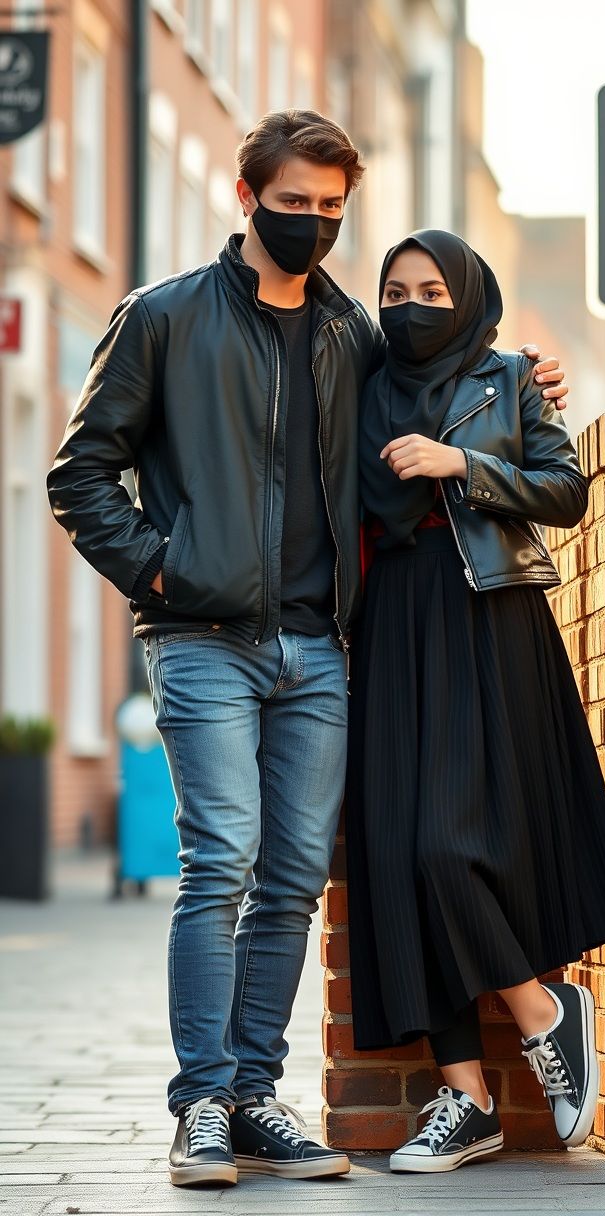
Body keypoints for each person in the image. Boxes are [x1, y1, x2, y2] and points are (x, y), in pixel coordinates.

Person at [46, 111, 569, 1189]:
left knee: (290, 878)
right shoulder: (162, 319)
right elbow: (79, 475)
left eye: (332, 211)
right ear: (247, 199)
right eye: (294, 206)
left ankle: (252, 1095)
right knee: (221, 862)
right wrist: (160, 570)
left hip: (320, 646)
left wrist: (525, 381)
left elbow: (448, 368)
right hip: (203, 636)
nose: (314, 226)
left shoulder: (351, 336)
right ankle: (200, 1102)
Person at [345, 229, 605, 1174]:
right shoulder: (355, 381)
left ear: (469, 296)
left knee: (447, 841)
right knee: (395, 852)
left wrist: (460, 466)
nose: (413, 304)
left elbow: (565, 491)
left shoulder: (507, 377)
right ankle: (465, 1097)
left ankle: (544, 1011)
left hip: (486, 619)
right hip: (390, 625)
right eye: (395, 288)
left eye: (434, 288)